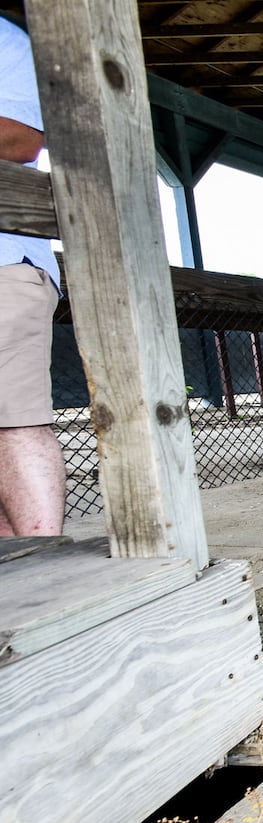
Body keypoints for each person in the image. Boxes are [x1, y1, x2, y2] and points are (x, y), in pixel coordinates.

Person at [0, 16, 64, 536]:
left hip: (3, 264)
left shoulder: (3, 39)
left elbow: (21, 139)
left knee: (14, 420)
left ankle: (44, 566)